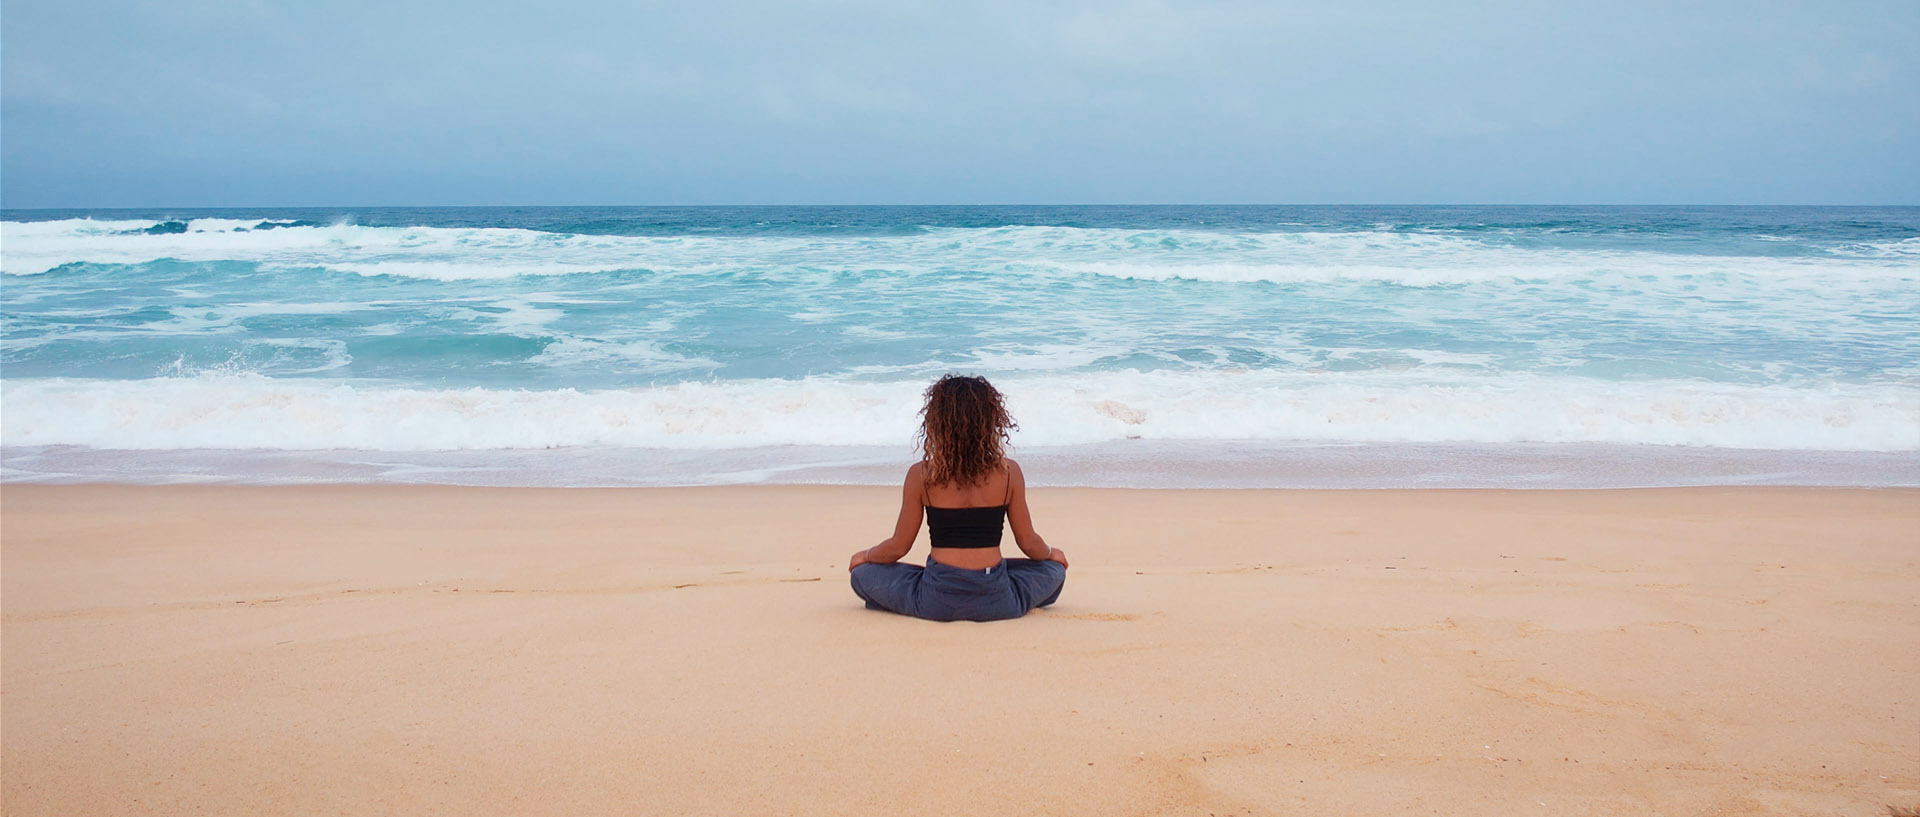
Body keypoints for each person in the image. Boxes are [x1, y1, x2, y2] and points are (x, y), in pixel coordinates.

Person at [847, 374, 1068, 621]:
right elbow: (1029, 544)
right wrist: (1051, 553)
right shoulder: (1009, 473)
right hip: (998, 599)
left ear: (936, 423)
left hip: (935, 600)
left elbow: (898, 547)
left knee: (862, 575)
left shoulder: (921, 475)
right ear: (991, 421)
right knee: (1053, 571)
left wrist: (865, 556)